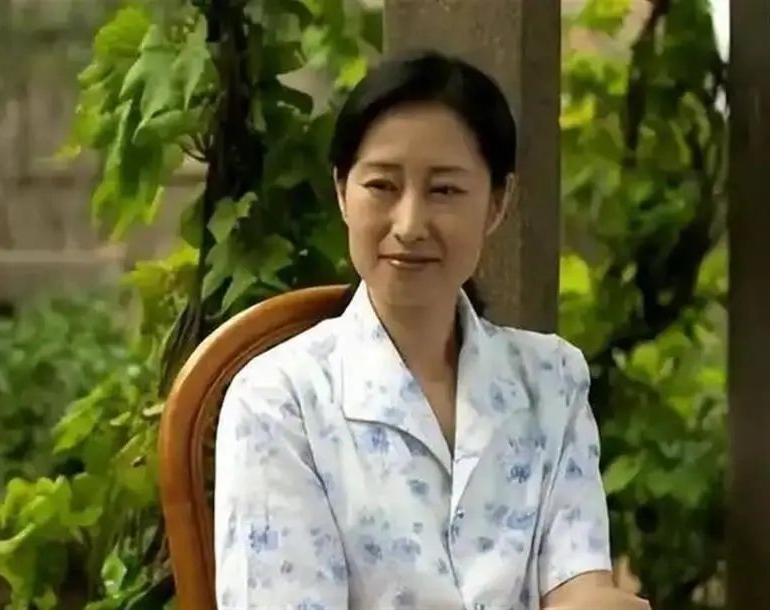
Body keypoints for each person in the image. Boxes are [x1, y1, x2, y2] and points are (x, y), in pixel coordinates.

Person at [213, 50, 649, 610]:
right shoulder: (278, 401)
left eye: (444, 190)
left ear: (497, 204)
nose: (410, 224)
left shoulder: (552, 380)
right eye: (382, 186)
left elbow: (582, 590)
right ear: (342, 191)